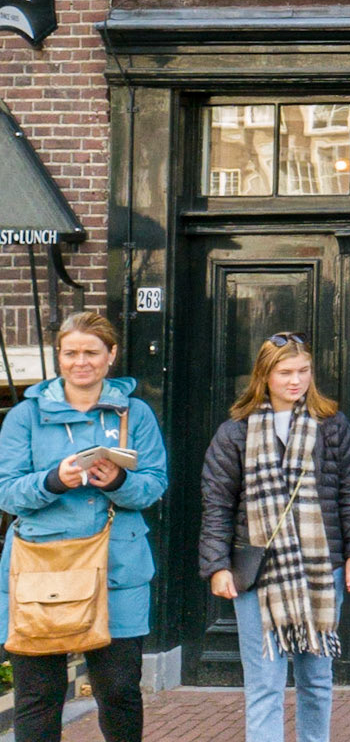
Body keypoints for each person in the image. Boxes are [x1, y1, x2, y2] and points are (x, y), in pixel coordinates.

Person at [0, 309, 168, 742]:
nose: (81, 362)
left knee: (119, 692)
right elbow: (7, 493)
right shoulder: (24, 417)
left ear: (111, 355)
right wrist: (54, 480)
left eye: (91, 352)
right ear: (58, 357)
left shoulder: (136, 415)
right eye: (71, 352)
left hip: (117, 568)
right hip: (41, 568)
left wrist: (119, 481)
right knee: (38, 695)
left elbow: (153, 487)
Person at [199, 333, 350, 742]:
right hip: (257, 576)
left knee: (316, 680)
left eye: (303, 372)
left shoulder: (331, 426)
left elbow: (349, 494)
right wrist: (217, 566)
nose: (296, 381)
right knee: (264, 684)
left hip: (319, 571)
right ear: (265, 375)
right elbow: (217, 503)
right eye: (286, 372)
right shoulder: (235, 433)